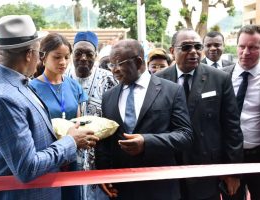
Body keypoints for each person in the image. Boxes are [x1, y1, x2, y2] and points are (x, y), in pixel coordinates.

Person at [0, 15, 99, 200]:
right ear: (28, 54)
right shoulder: (5, 97)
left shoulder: (10, 82)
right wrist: (70, 142)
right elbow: (27, 167)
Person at [95, 39, 193, 200]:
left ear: (138, 61)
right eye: (111, 65)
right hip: (122, 190)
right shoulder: (108, 97)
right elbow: (106, 142)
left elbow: (185, 135)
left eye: (119, 64)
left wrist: (146, 142)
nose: (114, 71)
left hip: (160, 188)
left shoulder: (171, 91)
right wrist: (103, 174)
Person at [156, 28, 243, 200]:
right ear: (173, 51)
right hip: (171, 168)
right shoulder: (158, 80)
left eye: (197, 46)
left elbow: (232, 127)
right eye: (186, 47)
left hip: (207, 168)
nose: (194, 52)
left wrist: (233, 171)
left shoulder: (219, 79)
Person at [29, 33, 88, 200]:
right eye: (57, 57)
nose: (62, 62)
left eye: (66, 57)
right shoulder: (31, 88)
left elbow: (78, 121)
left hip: (71, 157)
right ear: (43, 57)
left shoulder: (73, 85)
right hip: (46, 157)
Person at [66, 31, 117, 200]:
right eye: (78, 53)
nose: (83, 58)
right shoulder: (61, 78)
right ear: (72, 53)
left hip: (101, 160)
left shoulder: (109, 80)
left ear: (96, 55)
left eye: (89, 54)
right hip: (68, 159)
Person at [222, 24, 260, 200]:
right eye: (242, 46)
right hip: (229, 157)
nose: (246, 52)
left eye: (253, 47)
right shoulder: (219, 77)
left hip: (259, 156)